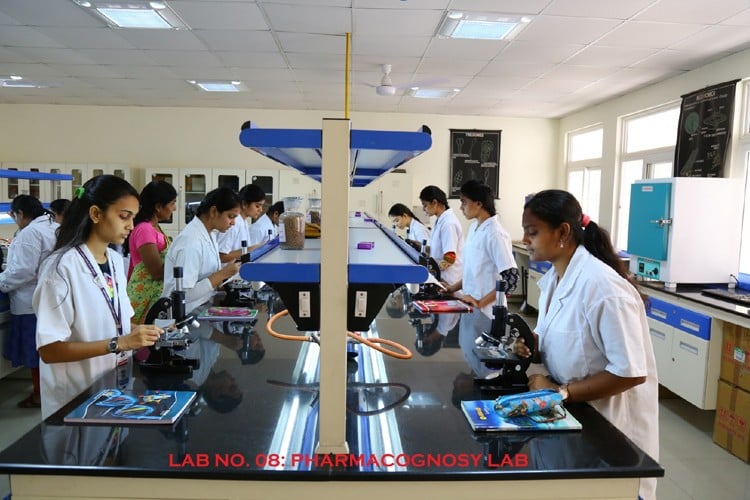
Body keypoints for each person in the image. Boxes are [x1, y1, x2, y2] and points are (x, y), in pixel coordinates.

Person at [517, 189, 658, 500]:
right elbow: (556, 338)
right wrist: (528, 344)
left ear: (563, 232)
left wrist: (560, 393)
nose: (525, 240)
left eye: (532, 232)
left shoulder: (604, 288)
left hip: (611, 431)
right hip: (574, 421)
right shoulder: (556, 278)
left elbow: (630, 372)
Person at [33, 175, 164, 419]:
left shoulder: (114, 261)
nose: (131, 226)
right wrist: (120, 343)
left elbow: (116, 322)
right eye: (124, 216)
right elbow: (50, 350)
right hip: (76, 395)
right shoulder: (61, 268)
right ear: (96, 214)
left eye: (133, 218)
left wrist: (145, 331)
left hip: (113, 388)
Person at [0, 195, 59, 408]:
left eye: (15, 216)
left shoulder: (30, 232)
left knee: (36, 354)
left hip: (31, 301)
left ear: (21, 214)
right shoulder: (51, 226)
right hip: (47, 299)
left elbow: (22, 270)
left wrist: (1, 281)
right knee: (44, 352)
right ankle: (44, 392)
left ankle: (39, 395)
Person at [443, 180, 518, 318]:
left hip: (488, 312)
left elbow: (511, 278)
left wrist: (480, 302)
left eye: (464, 202)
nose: (461, 207)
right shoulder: (474, 228)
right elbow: (472, 272)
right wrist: (451, 288)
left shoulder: (495, 234)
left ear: (478, 203)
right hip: (469, 305)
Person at [162, 187, 242, 315]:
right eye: (231, 216)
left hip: (201, 307)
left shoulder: (210, 234)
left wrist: (225, 281)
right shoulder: (191, 242)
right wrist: (223, 274)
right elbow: (183, 295)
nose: (233, 223)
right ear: (214, 211)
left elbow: (204, 278)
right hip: (184, 315)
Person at [125, 180, 177, 323]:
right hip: (145, 295)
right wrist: (181, 259)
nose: (175, 208)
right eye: (172, 203)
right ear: (158, 206)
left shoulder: (155, 228)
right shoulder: (144, 229)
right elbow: (156, 272)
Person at [418, 185, 463, 287]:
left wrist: (431, 270)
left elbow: (450, 257)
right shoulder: (440, 220)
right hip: (443, 277)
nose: (424, 209)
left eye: (425, 205)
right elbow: (439, 249)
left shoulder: (448, 223)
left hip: (450, 280)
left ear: (434, 203)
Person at [216, 184, 265, 263]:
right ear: (244, 204)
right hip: (227, 273)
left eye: (261, 206)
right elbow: (220, 256)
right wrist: (249, 250)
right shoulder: (233, 223)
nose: (260, 210)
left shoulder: (243, 221)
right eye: (257, 206)